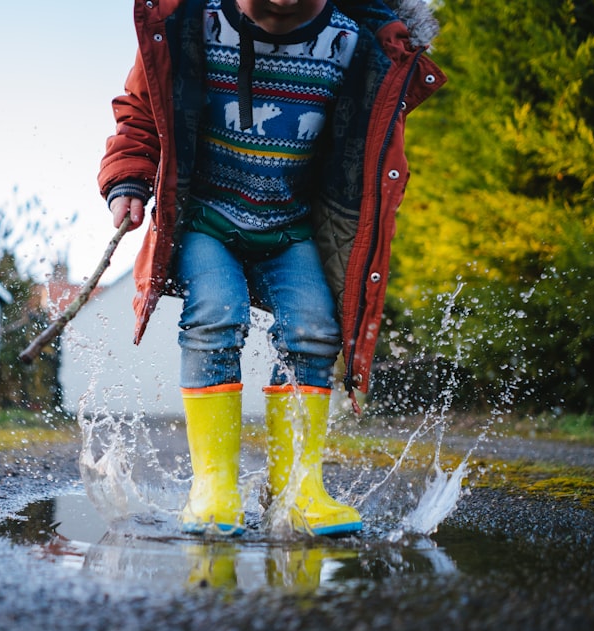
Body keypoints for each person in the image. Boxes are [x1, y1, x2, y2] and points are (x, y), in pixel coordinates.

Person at [98, 0, 445, 537]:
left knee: (314, 328)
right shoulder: (190, 22)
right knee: (216, 312)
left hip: (291, 223)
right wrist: (128, 181)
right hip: (209, 217)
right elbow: (140, 113)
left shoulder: (356, 42)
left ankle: (298, 489)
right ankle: (213, 488)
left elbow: (366, 140)